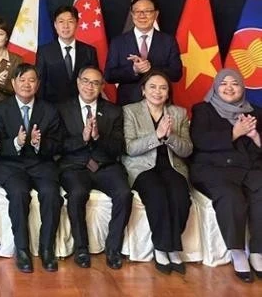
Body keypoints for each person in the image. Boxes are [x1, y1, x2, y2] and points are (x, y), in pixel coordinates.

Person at [189, 69, 262, 283]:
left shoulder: (256, 112)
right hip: (213, 169)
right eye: (223, 83)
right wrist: (234, 133)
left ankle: (257, 252)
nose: (229, 88)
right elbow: (199, 141)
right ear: (215, 86)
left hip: (248, 168)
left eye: (235, 84)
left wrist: (256, 137)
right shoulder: (203, 109)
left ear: (242, 88)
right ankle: (238, 252)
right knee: (231, 197)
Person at [58, 66, 131, 270]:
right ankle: (81, 248)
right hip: (74, 165)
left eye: (95, 83)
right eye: (86, 81)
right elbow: (58, 145)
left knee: (124, 193)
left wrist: (98, 137)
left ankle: (113, 249)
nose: (90, 86)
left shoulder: (114, 111)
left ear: (102, 86)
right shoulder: (63, 109)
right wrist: (82, 139)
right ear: (78, 82)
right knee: (77, 193)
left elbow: (118, 147)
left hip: (105, 165)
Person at [0, 63, 62, 273]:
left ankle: (47, 249)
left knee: (51, 194)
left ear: (38, 84)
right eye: (21, 80)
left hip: (41, 164)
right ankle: (22, 250)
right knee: (19, 193)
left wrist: (39, 144)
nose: (26, 84)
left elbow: (59, 144)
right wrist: (17, 143)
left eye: (31, 80)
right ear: (13, 83)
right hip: (11, 165)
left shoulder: (49, 110)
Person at [122, 70, 193, 275]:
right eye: (152, 87)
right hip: (142, 167)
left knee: (181, 197)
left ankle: (170, 246)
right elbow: (130, 148)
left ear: (168, 93)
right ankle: (162, 248)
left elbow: (187, 149)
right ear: (143, 90)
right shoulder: (130, 111)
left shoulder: (178, 113)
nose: (157, 91)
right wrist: (157, 135)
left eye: (163, 88)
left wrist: (169, 137)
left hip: (172, 166)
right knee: (157, 195)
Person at [105, 0, 182, 105]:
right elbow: (109, 75)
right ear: (132, 14)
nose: (142, 15)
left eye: (147, 11)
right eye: (137, 11)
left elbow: (176, 74)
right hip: (128, 105)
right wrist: (134, 70)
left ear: (156, 14)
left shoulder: (168, 41)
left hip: (160, 105)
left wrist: (150, 69)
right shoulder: (118, 42)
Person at [36, 5, 98, 104]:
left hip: (80, 108)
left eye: (70, 21)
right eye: (61, 22)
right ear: (55, 25)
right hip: (53, 107)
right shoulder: (44, 51)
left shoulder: (89, 51)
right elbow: (40, 83)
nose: (66, 26)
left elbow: (95, 81)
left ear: (77, 23)